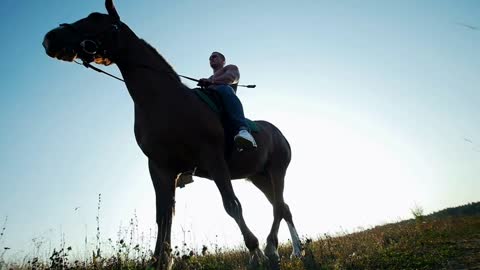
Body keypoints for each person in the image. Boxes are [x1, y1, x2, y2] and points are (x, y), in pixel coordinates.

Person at [198, 51, 257, 150]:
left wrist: (212, 82)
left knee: (225, 88)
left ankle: (243, 130)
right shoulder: (210, 78)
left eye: (214, 56)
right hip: (214, 105)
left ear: (223, 61)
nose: (211, 58)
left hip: (225, 104)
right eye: (210, 58)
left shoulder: (230, 68)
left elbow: (231, 77)